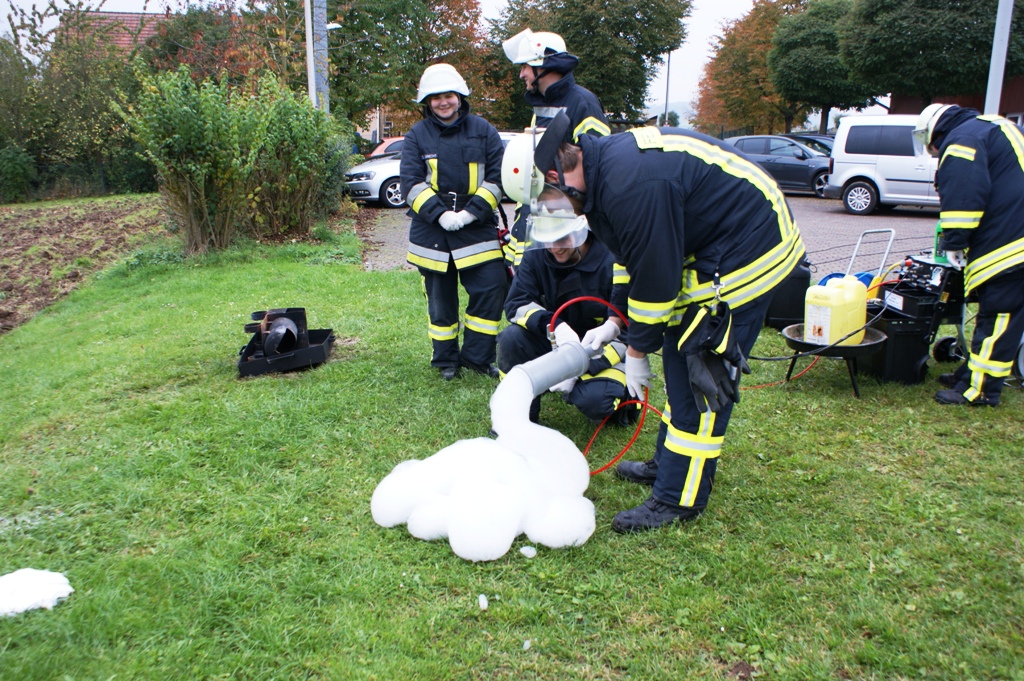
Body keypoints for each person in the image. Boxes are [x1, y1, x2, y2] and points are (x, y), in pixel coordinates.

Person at [502, 113, 806, 533]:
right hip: (713, 245)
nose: (555, 212)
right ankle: (668, 464)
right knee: (681, 361)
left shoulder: (629, 186)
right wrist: (615, 319)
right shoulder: (600, 180)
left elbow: (657, 279)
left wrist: (636, 349)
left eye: (549, 201)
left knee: (701, 375)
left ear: (555, 176)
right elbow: (627, 259)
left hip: (747, 251)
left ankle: (678, 499)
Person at [400, 64, 508, 381]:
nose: (443, 102)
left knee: (492, 287)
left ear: (460, 97)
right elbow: (410, 183)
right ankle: (446, 360)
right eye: (435, 97)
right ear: (427, 102)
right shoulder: (417, 135)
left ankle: (477, 357)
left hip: (476, 225)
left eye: (448, 95)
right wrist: (440, 214)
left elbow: (498, 178)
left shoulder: (484, 130)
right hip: (431, 229)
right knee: (440, 301)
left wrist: (470, 213)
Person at [914, 103, 1024, 407]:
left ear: (934, 131)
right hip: (1012, 235)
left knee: (998, 317)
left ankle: (980, 390)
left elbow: (963, 195)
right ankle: (968, 374)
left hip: (1011, 246)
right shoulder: (989, 127)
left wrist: (954, 242)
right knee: (991, 314)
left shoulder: (962, 141)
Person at [496, 192, 636, 426]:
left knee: (595, 401)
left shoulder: (611, 261)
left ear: (581, 231)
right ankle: (518, 415)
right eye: (547, 239)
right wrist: (555, 326)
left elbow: (627, 333)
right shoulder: (537, 254)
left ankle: (623, 402)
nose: (554, 248)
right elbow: (516, 303)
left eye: (562, 239)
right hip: (555, 341)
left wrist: (576, 365)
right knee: (512, 339)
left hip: (600, 349)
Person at [501, 29, 610, 272]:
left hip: (564, 227)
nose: (521, 74)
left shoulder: (584, 104)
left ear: (543, 65)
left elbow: (597, 171)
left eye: (525, 66)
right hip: (535, 218)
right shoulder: (541, 107)